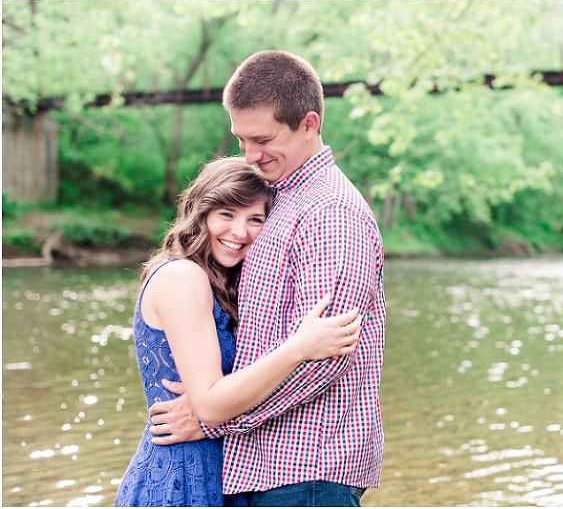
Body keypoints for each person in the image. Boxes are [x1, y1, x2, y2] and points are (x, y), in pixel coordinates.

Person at [147, 50, 386, 507]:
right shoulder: (278, 198)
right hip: (266, 467)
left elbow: (323, 359)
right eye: (241, 141)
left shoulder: (329, 212)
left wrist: (213, 417)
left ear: (309, 124)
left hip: (307, 471)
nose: (251, 156)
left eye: (262, 139)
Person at [114, 157, 363, 507]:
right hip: (181, 476)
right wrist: (299, 348)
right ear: (201, 214)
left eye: (255, 219)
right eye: (226, 214)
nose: (240, 232)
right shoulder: (183, 277)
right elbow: (212, 405)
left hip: (222, 469)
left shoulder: (224, 284)